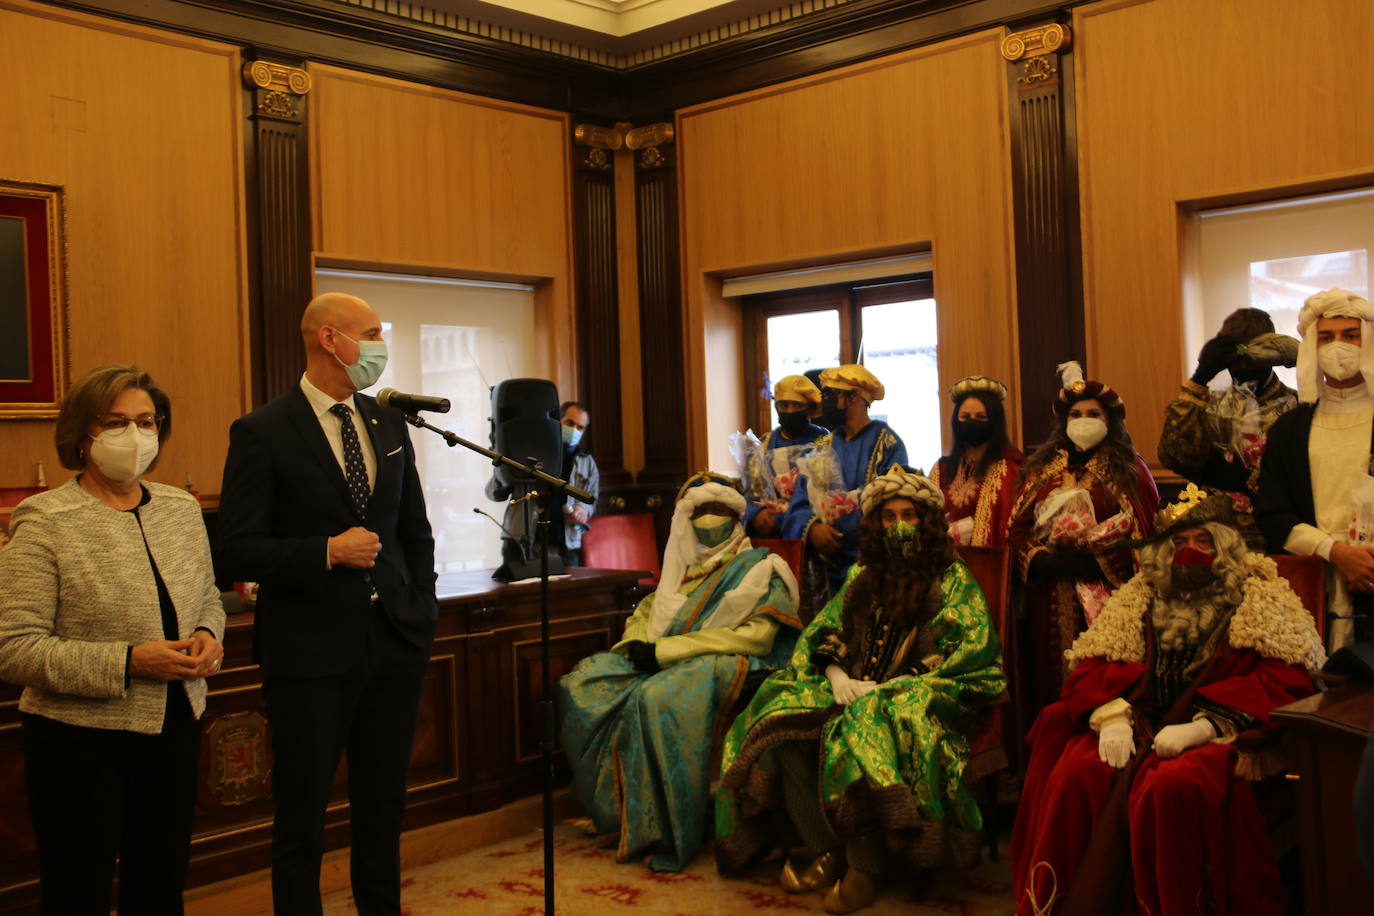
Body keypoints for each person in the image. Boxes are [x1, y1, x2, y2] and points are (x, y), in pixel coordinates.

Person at [215, 292, 438, 915]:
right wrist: (325, 551)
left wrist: (422, 608)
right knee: (302, 817)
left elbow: (412, 530)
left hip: (393, 642)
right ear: (331, 339)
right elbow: (234, 549)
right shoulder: (262, 430)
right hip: (309, 653)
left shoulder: (388, 421)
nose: (380, 345)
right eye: (371, 333)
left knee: (383, 809)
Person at [1010, 489, 1323, 916]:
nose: (1189, 552)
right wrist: (1113, 714)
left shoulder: (1261, 596)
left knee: (1172, 787)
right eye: (1178, 543)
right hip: (1141, 721)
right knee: (1079, 771)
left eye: (1203, 541)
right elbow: (1097, 661)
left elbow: (1288, 677)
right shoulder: (1141, 594)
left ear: (1227, 547)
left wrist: (1207, 725)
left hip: (1225, 734)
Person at [717, 465, 1005, 914]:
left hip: (924, 695)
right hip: (857, 687)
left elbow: (967, 651)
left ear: (926, 521)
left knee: (860, 727)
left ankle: (865, 866)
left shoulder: (952, 579)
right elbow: (825, 630)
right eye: (888, 518)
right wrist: (837, 676)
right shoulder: (862, 575)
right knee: (779, 723)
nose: (899, 526)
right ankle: (827, 846)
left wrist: (895, 686)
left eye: (908, 515)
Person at [0, 364, 225, 915]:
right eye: (117, 421)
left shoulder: (180, 508)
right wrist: (128, 662)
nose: (135, 434)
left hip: (174, 726)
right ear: (83, 433)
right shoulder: (45, 519)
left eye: (147, 421)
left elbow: (208, 596)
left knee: (160, 883)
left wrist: (207, 634)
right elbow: (15, 648)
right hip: (80, 742)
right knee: (79, 890)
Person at [557, 471, 800, 872]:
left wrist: (667, 651)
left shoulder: (759, 568)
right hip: (668, 654)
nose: (709, 519)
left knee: (657, 698)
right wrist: (633, 648)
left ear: (736, 516)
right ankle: (617, 816)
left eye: (719, 510)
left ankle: (666, 830)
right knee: (581, 684)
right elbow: (648, 612)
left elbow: (756, 637)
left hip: (737, 660)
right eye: (701, 511)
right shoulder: (681, 568)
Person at [1008, 361, 1158, 720]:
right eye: (1076, 414)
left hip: (1109, 599)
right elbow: (1016, 528)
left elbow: (1146, 535)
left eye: (1094, 413)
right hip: (1048, 594)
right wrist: (1040, 559)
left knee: (1101, 683)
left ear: (1110, 422)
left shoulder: (1130, 469)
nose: (1084, 420)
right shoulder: (1043, 469)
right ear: (1064, 422)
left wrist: (1099, 560)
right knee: (1048, 682)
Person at [1257, 288, 1374, 649]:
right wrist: (1334, 552)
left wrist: (1364, 563)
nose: (1338, 346)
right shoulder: (1288, 429)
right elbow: (1272, 513)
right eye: (1326, 337)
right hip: (1309, 585)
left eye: (1350, 335)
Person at [1159, 307, 1298, 548]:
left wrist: (1249, 480)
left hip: (1277, 536)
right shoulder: (1209, 404)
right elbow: (1174, 455)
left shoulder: (1295, 405)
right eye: (1236, 359)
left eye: (1252, 359)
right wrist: (1200, 378)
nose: (1243, 367)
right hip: (1216, 537)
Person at [782, 365, 907, 606]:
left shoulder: (888, 444)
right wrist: (813, 527)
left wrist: (846, 528)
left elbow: (895, 502)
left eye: (829, 395)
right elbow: (798, 503)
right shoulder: (820, 447)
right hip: (824, 568)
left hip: (871, 565)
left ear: (855, 397)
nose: (823, 402)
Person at [485, 400, 600, 568]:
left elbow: (592, 500)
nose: (574, 430)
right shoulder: (528, 451)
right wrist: (503, 469)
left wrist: (582, 510)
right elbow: (492, 492)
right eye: (569, 422)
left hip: (564, 546)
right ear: (557, 420)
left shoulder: (586, 461)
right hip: (521, 543)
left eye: (580, 427)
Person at [929, 375, 1024, 546]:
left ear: (995, 421)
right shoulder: (941, 469)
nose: (972, 422)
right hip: (944, 564)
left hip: (987, 565)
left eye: (981, 417)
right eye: (965, 417)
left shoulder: (1010, 469)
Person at [744, 374, 829, 538]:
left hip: (813, 529)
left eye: (797, 405)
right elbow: (749, 493)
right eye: (784, 405)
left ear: (809, 408)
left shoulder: (826, 442)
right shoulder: (763, 445)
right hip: (771, 531)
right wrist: (757, 514)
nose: (790, 411)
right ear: (776, 407)